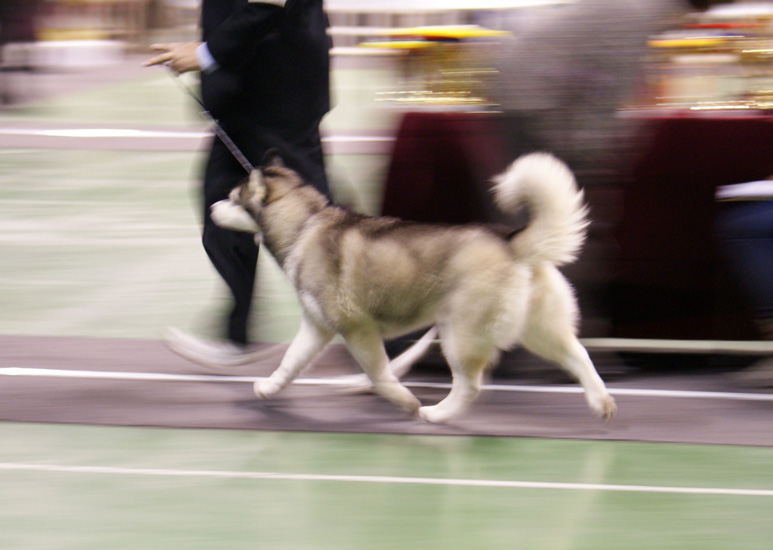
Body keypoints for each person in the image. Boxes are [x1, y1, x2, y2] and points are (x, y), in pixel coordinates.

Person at [144, 0, 332, 367]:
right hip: (254, 89)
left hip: (276, 90)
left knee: (316, 224)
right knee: (221, 204)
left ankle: (390, 333)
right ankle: (236, 334)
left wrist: (207, 53)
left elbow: (269, 3)